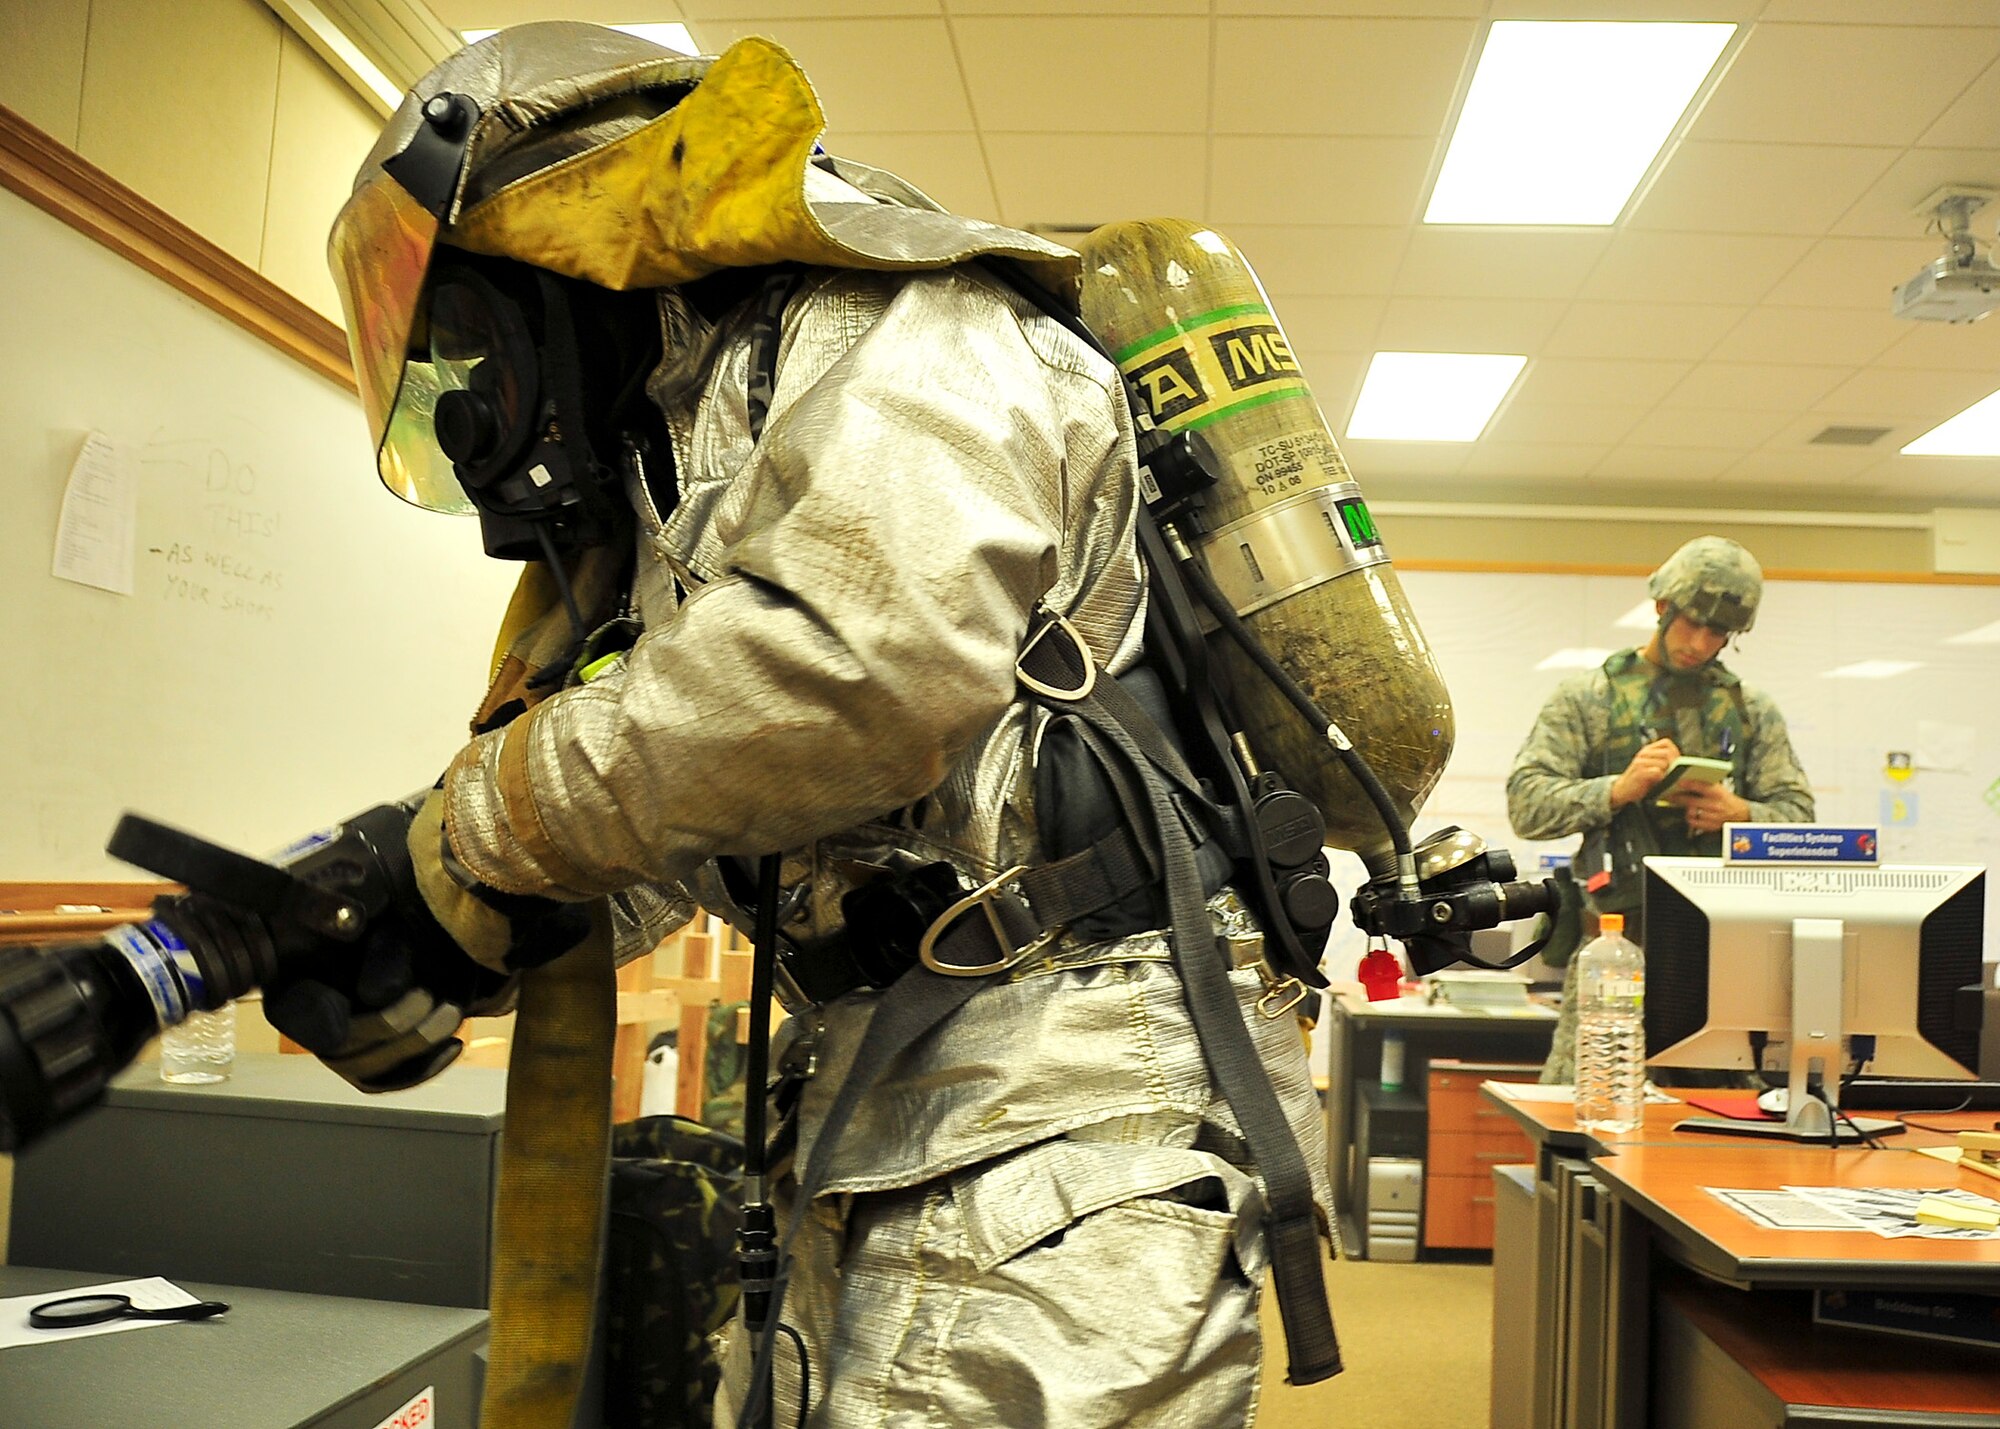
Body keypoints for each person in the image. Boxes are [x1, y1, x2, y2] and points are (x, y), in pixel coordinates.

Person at [283, 23, 1334, 1428]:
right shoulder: (703, 453)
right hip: (888, 1087)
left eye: (471, 336)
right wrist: (449, 930)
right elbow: (718, 790)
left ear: (572, 234)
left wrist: (470, 836)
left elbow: (850, 682)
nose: (470, 401)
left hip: (1074, 1093)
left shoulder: (919, 330)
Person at [1506, 536, 1814, 1082]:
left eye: (1717, 632)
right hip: (1614, 954)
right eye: (1690, 622)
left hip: (1723, 961)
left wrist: (1740, 813)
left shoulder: (1751, 712)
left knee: (1722, 1128)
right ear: (1661, 608)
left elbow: (1800, 821)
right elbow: (1527, 805)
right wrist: (1616, 790)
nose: (1700, 642)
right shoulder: (1589, 698)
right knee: (1588, 1112)